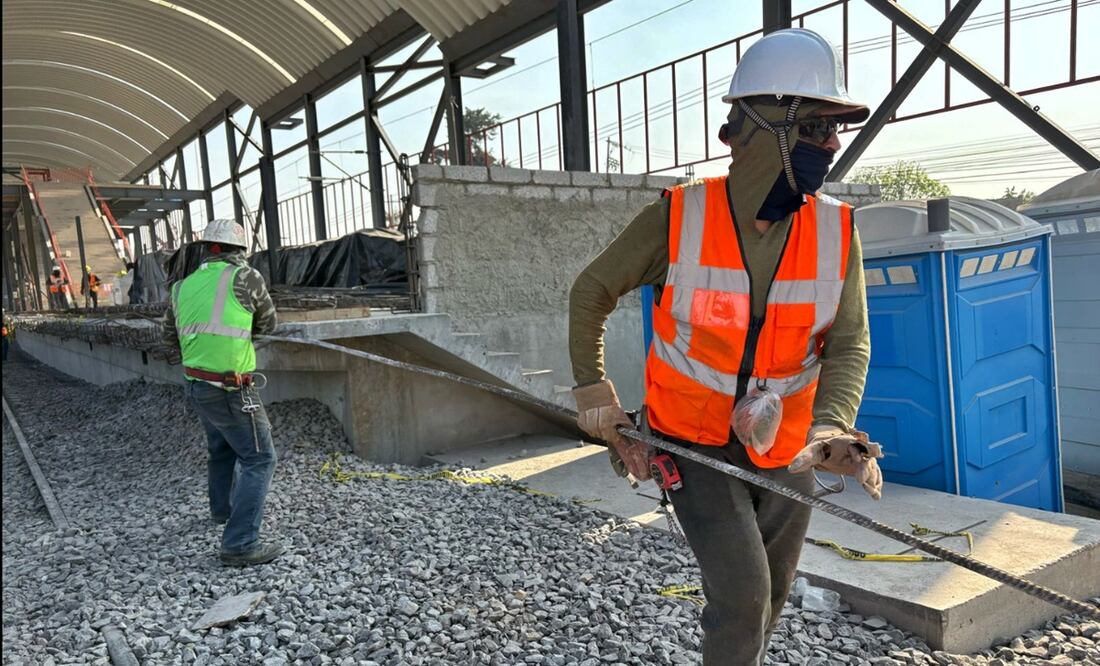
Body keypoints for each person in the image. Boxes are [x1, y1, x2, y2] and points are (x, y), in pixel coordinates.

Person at [568, 29, 884, 665]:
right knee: (743, 595)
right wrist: (596, 394)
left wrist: (831, 425)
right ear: (766, 128)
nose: (833, 144)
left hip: (789, 448)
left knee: (771, 593)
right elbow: (590, 291)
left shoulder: (836, 230)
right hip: (691, 439)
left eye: (834, 129)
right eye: (820, 126)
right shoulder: (680, 216)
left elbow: (849, 341)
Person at [162, 219, 283, 566]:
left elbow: (169, 338)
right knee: (260, 459)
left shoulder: (181, 287)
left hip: (198, 384)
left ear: (208, 249)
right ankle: (240, 544)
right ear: (237, 251)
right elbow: (268, 323)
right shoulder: (246, 277)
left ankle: (222, 511)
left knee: (221, 447)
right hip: (232, 388)